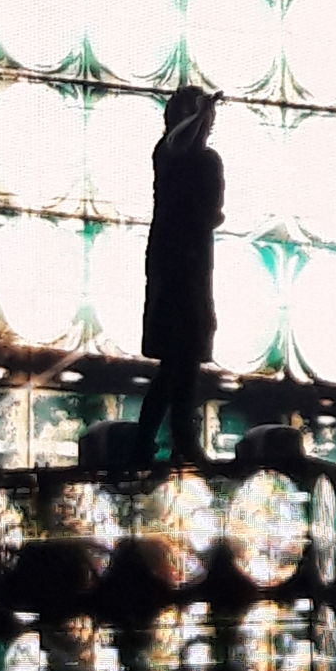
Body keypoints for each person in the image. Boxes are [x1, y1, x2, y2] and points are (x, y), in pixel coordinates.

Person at [135, 86, 225, 468]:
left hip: (193, 264)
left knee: (184, 359)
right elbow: (179, 143)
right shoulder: (168, 153)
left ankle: (170, 438)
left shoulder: (207, 160)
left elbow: (212, 209)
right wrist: (200, 113)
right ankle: (169, 438)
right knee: (177, 355)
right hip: (174, 265)